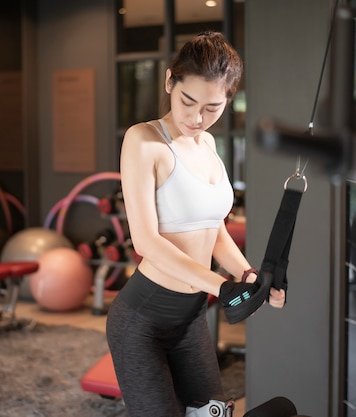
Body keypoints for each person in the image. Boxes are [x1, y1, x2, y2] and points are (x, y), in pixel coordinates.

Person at [106, 31, 286, 417]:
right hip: (142, 322)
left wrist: (249, 276)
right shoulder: (144, 141)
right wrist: (222, 288)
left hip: (189, 318)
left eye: (213, 107)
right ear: (170, 81)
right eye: (188, 101)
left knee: (212, 415)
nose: (197, 118)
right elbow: (146, 242)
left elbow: (214, 229)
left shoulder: (207, 145)